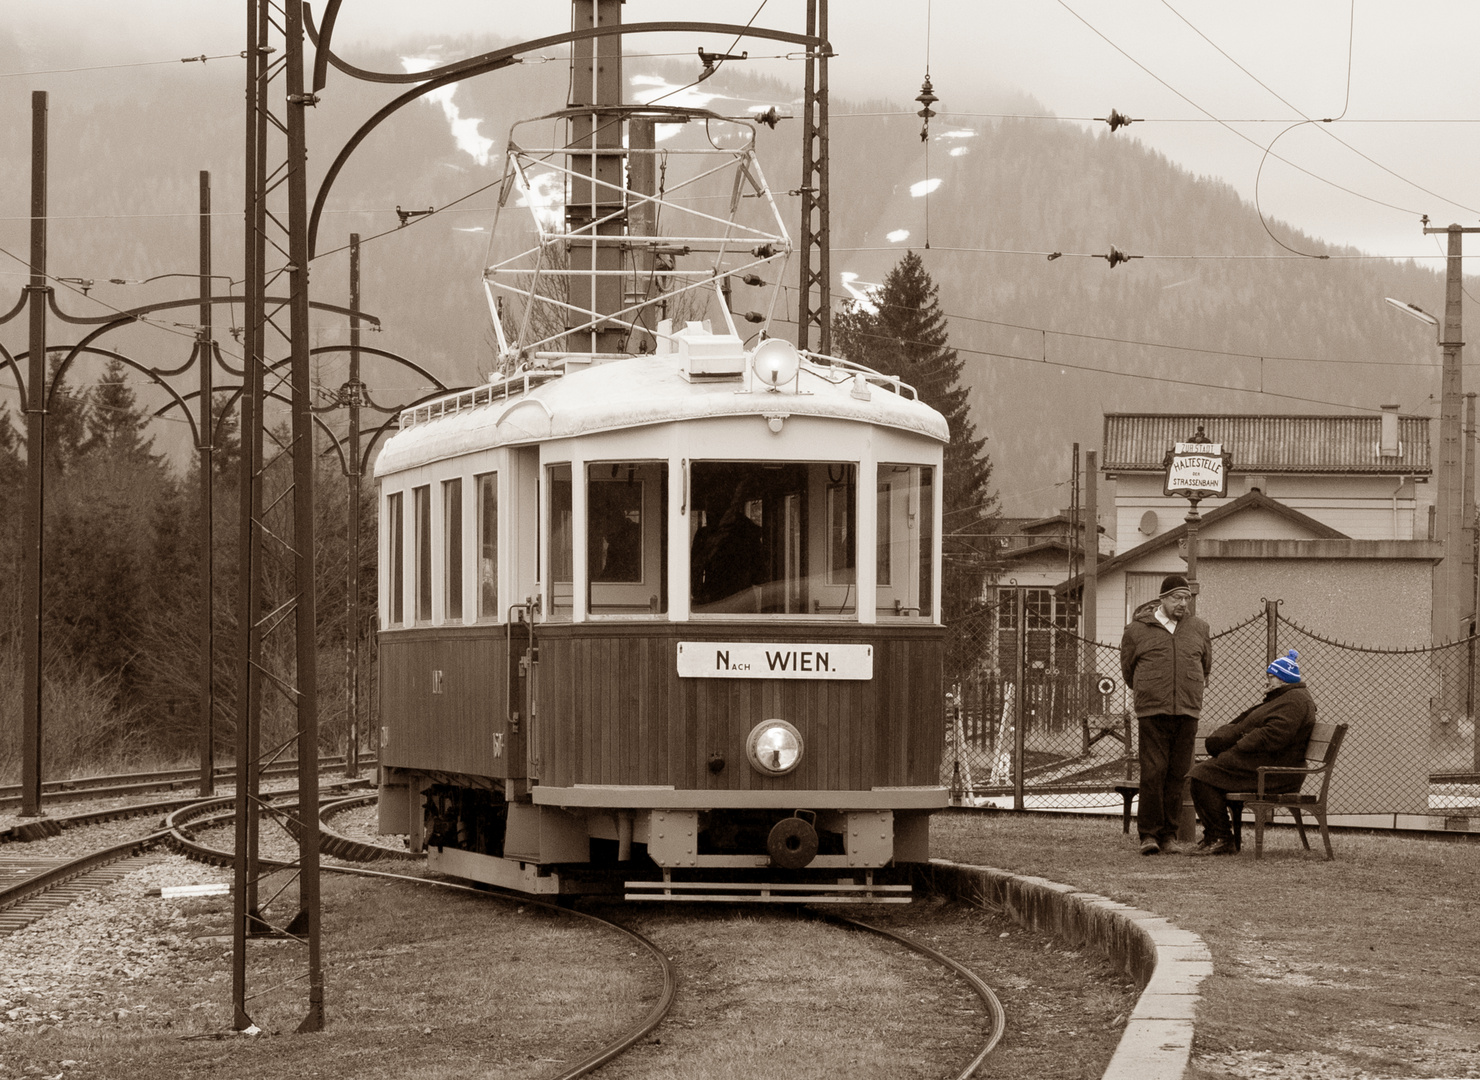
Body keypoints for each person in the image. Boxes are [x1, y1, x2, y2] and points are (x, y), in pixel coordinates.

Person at [1186, 650, 1317, 857]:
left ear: (1283, 678)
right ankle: (1217, 836)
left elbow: (1274, 736)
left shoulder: (1294, 701)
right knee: (1203, 774)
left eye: (1271, 677)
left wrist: (1238, 744)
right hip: (1265, 766)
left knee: (1201, 776)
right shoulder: (1285, 698)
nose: (1267, 681)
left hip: (1276, 773)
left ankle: (1221, 838)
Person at [1120, 574, 1211, 856]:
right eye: (1177, 598)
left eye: (1187, 598)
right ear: (1162, 599)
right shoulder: (1136, 631)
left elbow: (1205, 666)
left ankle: (1169, 835)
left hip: (1187, 710)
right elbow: (1128, 671)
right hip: (1152, 711)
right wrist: (1154, 690)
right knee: (1153, 772)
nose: (1183, 603)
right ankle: (1149, 835)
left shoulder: (1199, 628)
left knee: (1178, 774)